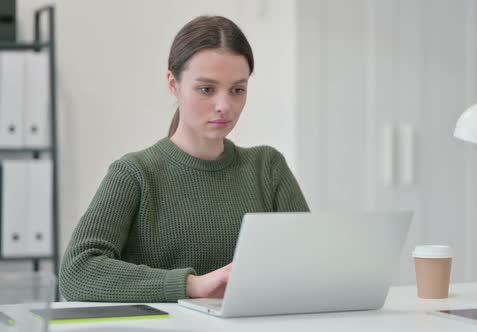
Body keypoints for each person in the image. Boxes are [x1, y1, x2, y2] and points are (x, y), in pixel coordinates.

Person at [59, 15, 309, 302]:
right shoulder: (134, 174)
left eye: (237, 90)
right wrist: (190, 285)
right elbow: (77, 271)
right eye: (206, 89)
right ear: (173, 83)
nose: (224, 106)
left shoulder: (268, 168)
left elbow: (310, 264)